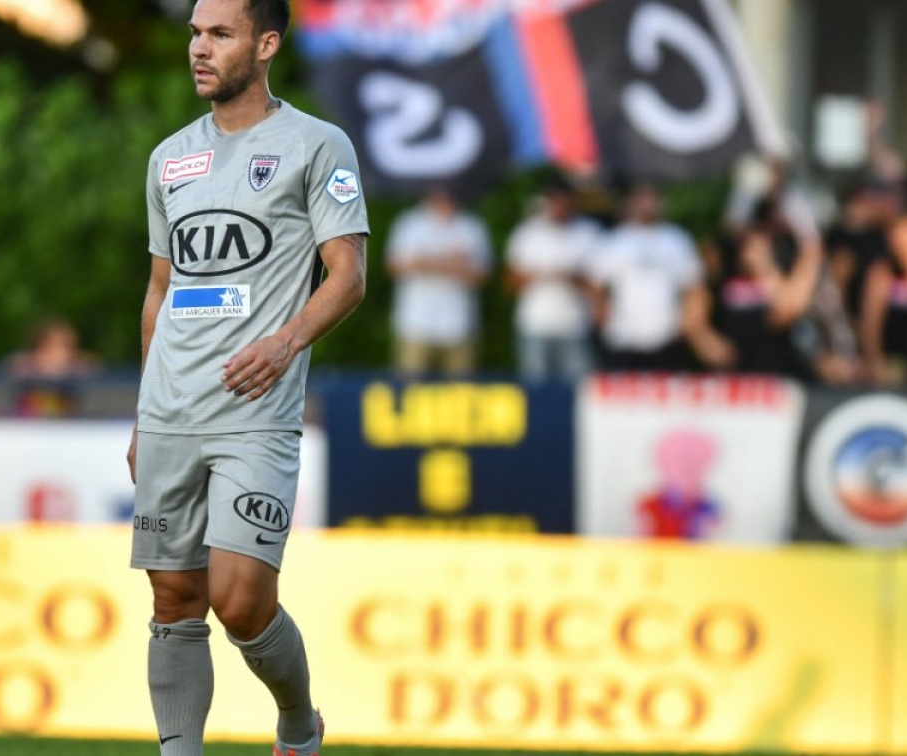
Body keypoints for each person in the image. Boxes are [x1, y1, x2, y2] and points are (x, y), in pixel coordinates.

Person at [127, 1, 368, 754]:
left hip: (254, 413)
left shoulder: (317, 145)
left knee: (240, 600)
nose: (199, 49)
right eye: (195, 33)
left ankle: (298, 722)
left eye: (220, 34)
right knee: (174, 599)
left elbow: (349, 274)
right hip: (170, 411)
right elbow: (160, 290)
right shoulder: (169, 158)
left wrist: (286, 342)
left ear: (266, 44)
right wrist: (142, 413)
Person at [684, 198, 823, 378]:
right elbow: (693, 319)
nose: (752, 243)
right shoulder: (722, 271)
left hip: (775, 374)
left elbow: (786, 311)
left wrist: (762, 269)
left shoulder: (781, 271)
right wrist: (709, 344)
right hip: (731, 378)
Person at [587, 183, 703, 372]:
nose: (647, 204)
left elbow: (694, 285)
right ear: (631, 203)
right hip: (623, 337)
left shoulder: (676, 240)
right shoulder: (615, 241)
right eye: (642, 199)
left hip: (666, 336)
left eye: (652, 198)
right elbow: (594, 282)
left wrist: (689, 322)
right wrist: (602, 314)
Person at [385, 187, 490, 377]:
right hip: (415, 324)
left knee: (461, 388)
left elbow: (481, 275)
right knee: (409, 387)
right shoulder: (409, 224)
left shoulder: (471, 226)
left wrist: (426, 262)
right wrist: (453, 264)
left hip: (458, 325)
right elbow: (393, 267)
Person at [505, 176, 600, 382]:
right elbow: (511, 283)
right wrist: (540, 275)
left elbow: (599, 284)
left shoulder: (588, 233)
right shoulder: (527, 233)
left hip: (575, 325)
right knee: (536, 389)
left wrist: (573, 277)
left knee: (576, 389)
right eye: (555, 201)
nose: (560, 207)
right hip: (535, 324)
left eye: (564, 201)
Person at [856, 180, 907, 384]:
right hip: (898, 364)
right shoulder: (883, 273)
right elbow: (870, 324)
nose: (900, 244)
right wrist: (874, 364)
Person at [5, 316, 100, 417]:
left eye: (73, 347)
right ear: (41, 347)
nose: (70, 353)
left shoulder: (79, 369)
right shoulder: (22, 368)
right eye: (64, 346)